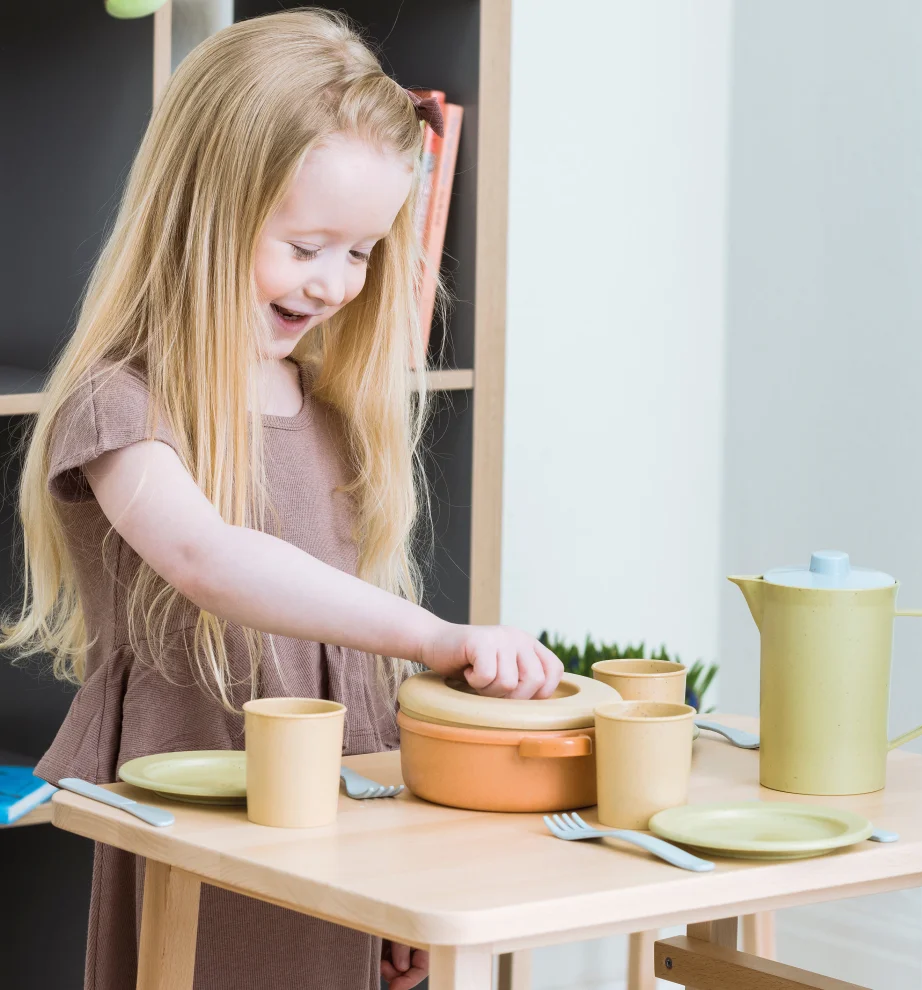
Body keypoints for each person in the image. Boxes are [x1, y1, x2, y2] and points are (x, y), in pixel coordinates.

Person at [2, 10, 562, 990]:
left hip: (341, 840)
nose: (337, 282)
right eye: (307, 245)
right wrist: (436, 637)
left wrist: (404, 879)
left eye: (362, 252)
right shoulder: (122, 406)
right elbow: (207, 559)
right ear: (204, 211)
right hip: (206, 834)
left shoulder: (333, 409)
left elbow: (348, 672)